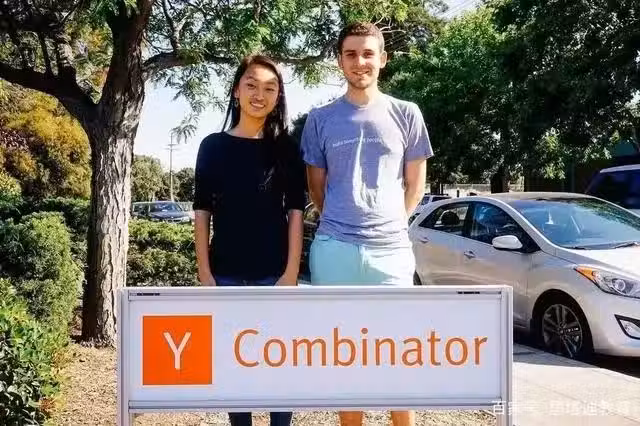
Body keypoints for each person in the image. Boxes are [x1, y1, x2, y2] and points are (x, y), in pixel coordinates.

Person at [300, 22, 434, 426]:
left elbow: (416, 184)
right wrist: (344, 220)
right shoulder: (320, 119)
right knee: (346, 359)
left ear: (383, 59)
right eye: (351, 54)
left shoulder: (407, 113)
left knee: (398, 358)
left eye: (368, 53)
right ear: (340, 61)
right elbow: (317, 189)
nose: (360, 61)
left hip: (391, 251)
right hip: (335, 250)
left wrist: (391, 221)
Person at [193, 54, 306, 426]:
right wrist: (205, 274)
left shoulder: (287, 148)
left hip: (274, 275)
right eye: (252, 85)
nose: (260, 94)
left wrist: (290, 274)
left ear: (278, 97)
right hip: (225, 275)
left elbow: (295, 212)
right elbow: (202, 210)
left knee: (279, 367)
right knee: (235, 368)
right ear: (236, 91)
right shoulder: (212, 146)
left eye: (270, 88)